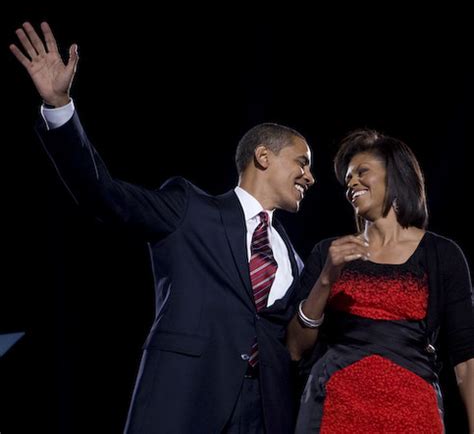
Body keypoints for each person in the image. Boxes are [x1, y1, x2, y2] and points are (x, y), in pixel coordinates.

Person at [10, 22, 315, 434]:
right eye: (302, 162)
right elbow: (104, 195)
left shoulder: (295, 260)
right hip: (183, 403)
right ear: (263, 156)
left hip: (264, 416)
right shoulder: (189, 208)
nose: (309, 177)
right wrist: (60, 107)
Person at [287, 129, 474, 433]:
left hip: (413, 410)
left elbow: (466, 360)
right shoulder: (328, 253)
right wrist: (326, 278)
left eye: (362, 172)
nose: (352, 184)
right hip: (334, 407)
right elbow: (295, 347)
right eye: (348, 179)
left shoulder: (442, 254)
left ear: (396, 176)